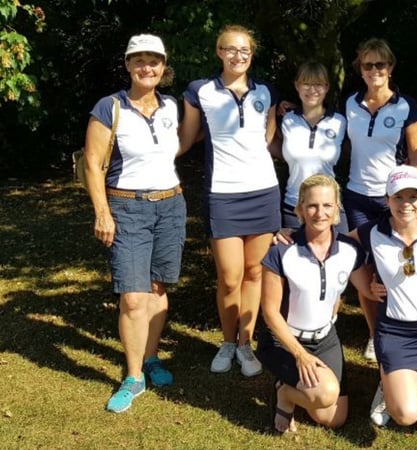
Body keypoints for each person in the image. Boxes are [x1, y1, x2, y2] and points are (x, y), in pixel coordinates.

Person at [83, 34, 185, 413]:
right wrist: (102, 211)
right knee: (132, 295)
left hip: (170, 206)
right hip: (127, 207)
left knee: (158, 288)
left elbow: (183, 145)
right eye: (139, 60)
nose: (147, 68)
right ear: (127, 65)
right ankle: (134, 375)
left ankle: (151, 356)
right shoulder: (110, 107)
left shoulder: (172, 106)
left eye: (154, 61)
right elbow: (93, 163)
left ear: (163, 66)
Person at [179, 24, 279, 377]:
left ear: (251, 55)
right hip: (223, 193)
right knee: (229, 275)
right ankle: (226, 340)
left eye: (245, 51)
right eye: (231, 49)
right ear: (219, 52)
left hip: (264, 192)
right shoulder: (199, 91)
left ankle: (245, 345)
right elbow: (186, 139)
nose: (238, 56)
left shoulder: (265, 91)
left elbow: (266, 139)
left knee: (254, 272)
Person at [257, 174, 372, 433]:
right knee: (325, 393)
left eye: (327, 205)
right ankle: (285, 395)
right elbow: (270, 313)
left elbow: (369, 289)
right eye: (312, 205)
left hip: (325, 339)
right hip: (284, 342)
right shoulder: (281, 250)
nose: (320, 212)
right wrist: (300, 355)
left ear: (337, 209)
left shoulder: (349, 250)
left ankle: (294, 387)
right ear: (300, 209)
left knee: (333, 417)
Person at [355, 165, 417, 434]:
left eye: (413, 196)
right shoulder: (371, 232)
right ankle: (388, 383)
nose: (406, 204)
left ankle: (403, 379)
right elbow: (333, 244)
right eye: (398, 197)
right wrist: (364, 286)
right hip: (395, 333)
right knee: (407, 413)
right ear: (387, 200)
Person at [344, 38, 417, 366]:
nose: (374, 70)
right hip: (356, 197)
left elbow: (416, 155)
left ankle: (403, 329)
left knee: (396, 265)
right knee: (364, 266)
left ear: (390, 68)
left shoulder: (407, 106)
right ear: (360, 69)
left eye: (380, 64)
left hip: (394, 198)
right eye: (368, 65)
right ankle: (375, 334)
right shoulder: (349, 103)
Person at [280, 62, 348, 232]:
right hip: (294, 206)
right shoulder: (287, 120)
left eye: (318, 84)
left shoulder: (340, 121)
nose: (312, 90)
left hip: (330, 207)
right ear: (297, 85)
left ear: (326, 87)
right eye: (306, 84)